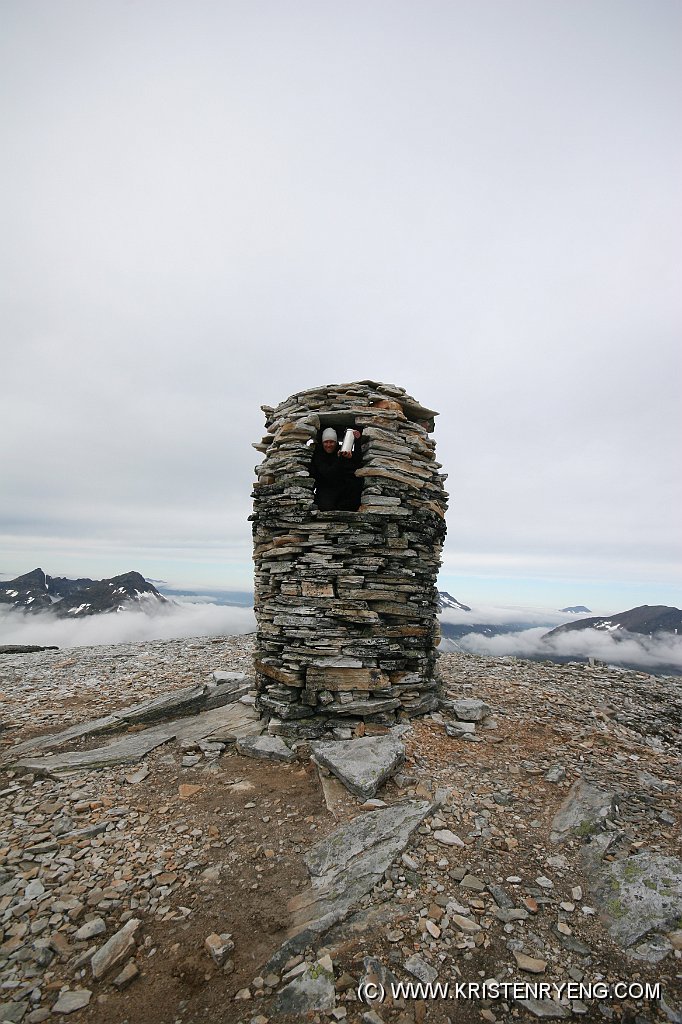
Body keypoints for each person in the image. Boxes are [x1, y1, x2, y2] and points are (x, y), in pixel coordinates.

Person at [310, 427, 363, 511]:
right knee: (326, 508)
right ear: (322, 442)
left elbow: (357, 462)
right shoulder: (319, 455)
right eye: (326, 442)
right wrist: (340, 459)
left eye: (331, 442)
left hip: (341, 489)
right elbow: (328, 473)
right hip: (325, 488)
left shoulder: (342, 451)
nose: (329, 445)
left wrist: (357, 440)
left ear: (336, 442)